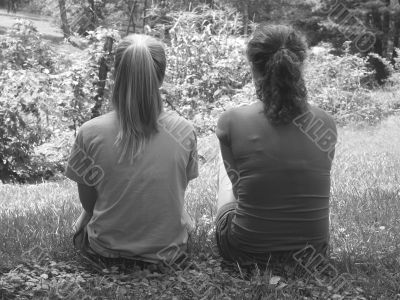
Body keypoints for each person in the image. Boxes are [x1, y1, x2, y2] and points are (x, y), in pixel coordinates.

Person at [65, 34, 198, 268]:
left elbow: (89, 205)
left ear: (117, 75)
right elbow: (175, 189)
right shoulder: (184, 131)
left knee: (82, 221)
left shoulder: (89, 132)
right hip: (168, 255)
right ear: (162, 77)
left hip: (104, 253)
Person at [215, 24, 337, 267]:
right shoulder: (326, 123)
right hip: (314, 254)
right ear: (299, 66)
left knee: (224, 170)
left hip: (246, 251)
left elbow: (240, 192)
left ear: (253, 68)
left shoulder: (231, 120)